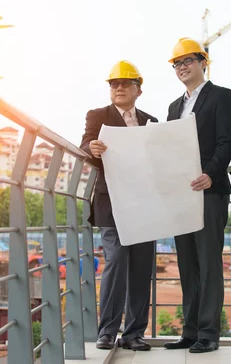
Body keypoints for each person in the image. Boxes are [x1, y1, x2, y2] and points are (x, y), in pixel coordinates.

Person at [163, 37, 231, 353]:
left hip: (209, 191)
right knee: (187, 264)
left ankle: (208, 332)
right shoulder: (173, 107)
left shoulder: (221, 96)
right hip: (182, 195)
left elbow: (225, 142)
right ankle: (190, 331)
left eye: (188, 61)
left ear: (202, 62)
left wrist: (211, 174)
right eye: (177, 63)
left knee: (208, 263)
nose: (182, 67)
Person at [80, 60, 158, 351]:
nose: (119, 88)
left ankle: (134, 333)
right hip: (111, 203)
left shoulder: (151, 121)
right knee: (115, 262)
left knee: (141, 268)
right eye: (114, 84)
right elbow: (86, 143)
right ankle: (107, 331)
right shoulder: (98, 115)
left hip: (144, 205)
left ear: (138, 89)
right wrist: (92, 148)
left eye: (125, 83)